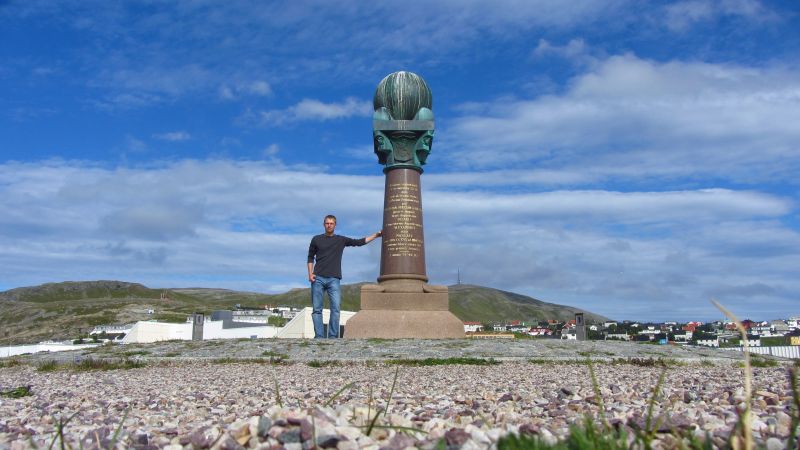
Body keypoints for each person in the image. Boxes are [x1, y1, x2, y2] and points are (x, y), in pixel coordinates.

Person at [307, 215, 381, 338]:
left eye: (331, 223)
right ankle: (319, 337)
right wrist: (310, 274)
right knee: (316, 309)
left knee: (335, 309)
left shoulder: (340, 240)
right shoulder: (316, 239)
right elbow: (310, 257)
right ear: (324, 224)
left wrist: (376, 235)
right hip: (318, 277)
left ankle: (332, 337)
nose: (329, 225)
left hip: (334, 279)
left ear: (335, 225)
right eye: (327, 223)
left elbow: (359, 242)